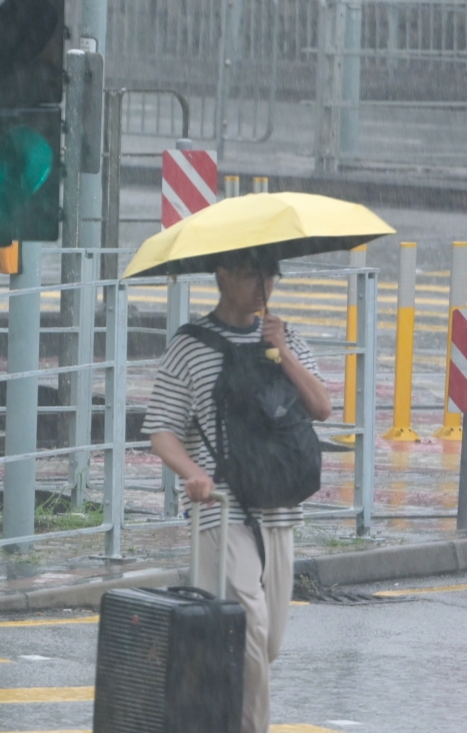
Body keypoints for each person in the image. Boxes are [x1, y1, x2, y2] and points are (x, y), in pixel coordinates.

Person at [141, 251, 332, 733]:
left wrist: (283, 350)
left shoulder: (285, 338)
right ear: (222, 276)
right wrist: (192, 474)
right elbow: (162, 429)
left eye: (270, 274)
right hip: (221, 510)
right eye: (252, 274)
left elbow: (322, 406)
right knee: (247, 633)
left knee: (265, 646)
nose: (263, 285)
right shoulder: (190, 345)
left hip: (280, 508)